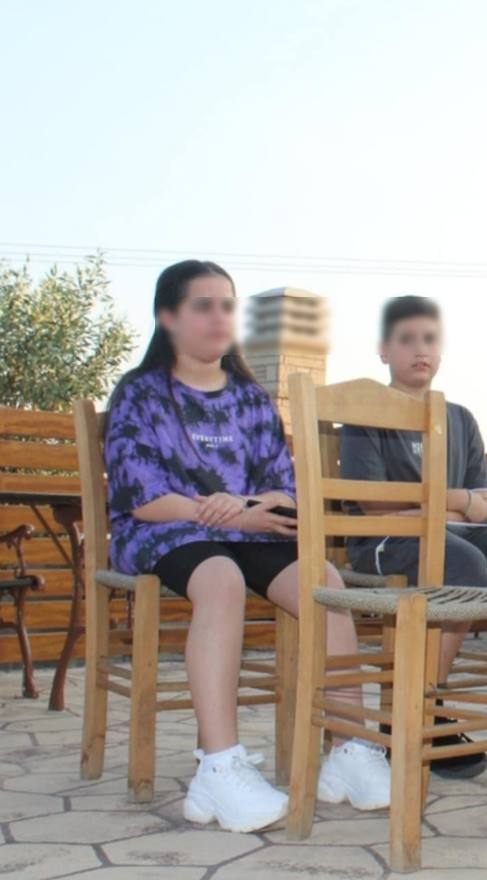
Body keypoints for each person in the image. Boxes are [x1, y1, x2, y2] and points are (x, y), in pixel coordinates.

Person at [105, 260, 390, 834]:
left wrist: (249, 508)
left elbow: (284, 488)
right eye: (202, 305)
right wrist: (219, 510)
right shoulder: (139, 393)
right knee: (221, 579)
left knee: (326, 583)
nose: (219, 317)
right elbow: (141, 494)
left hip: (248, 529)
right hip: (164, 531)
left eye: (227, 306)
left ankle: (350, 748)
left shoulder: (252, 400)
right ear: (168, 317)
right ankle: (219, 766)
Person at [339, 295, 487, 780]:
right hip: (384, 539)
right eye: (407, 339)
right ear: (383, 349)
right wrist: (453, 503)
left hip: (455, 532)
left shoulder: (460, 418)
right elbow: (376, 505)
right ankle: (422, 710)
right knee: (462, 565)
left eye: (430, 339)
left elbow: (484, 503)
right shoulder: (366, 413)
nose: (421, 350)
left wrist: (435, 503)